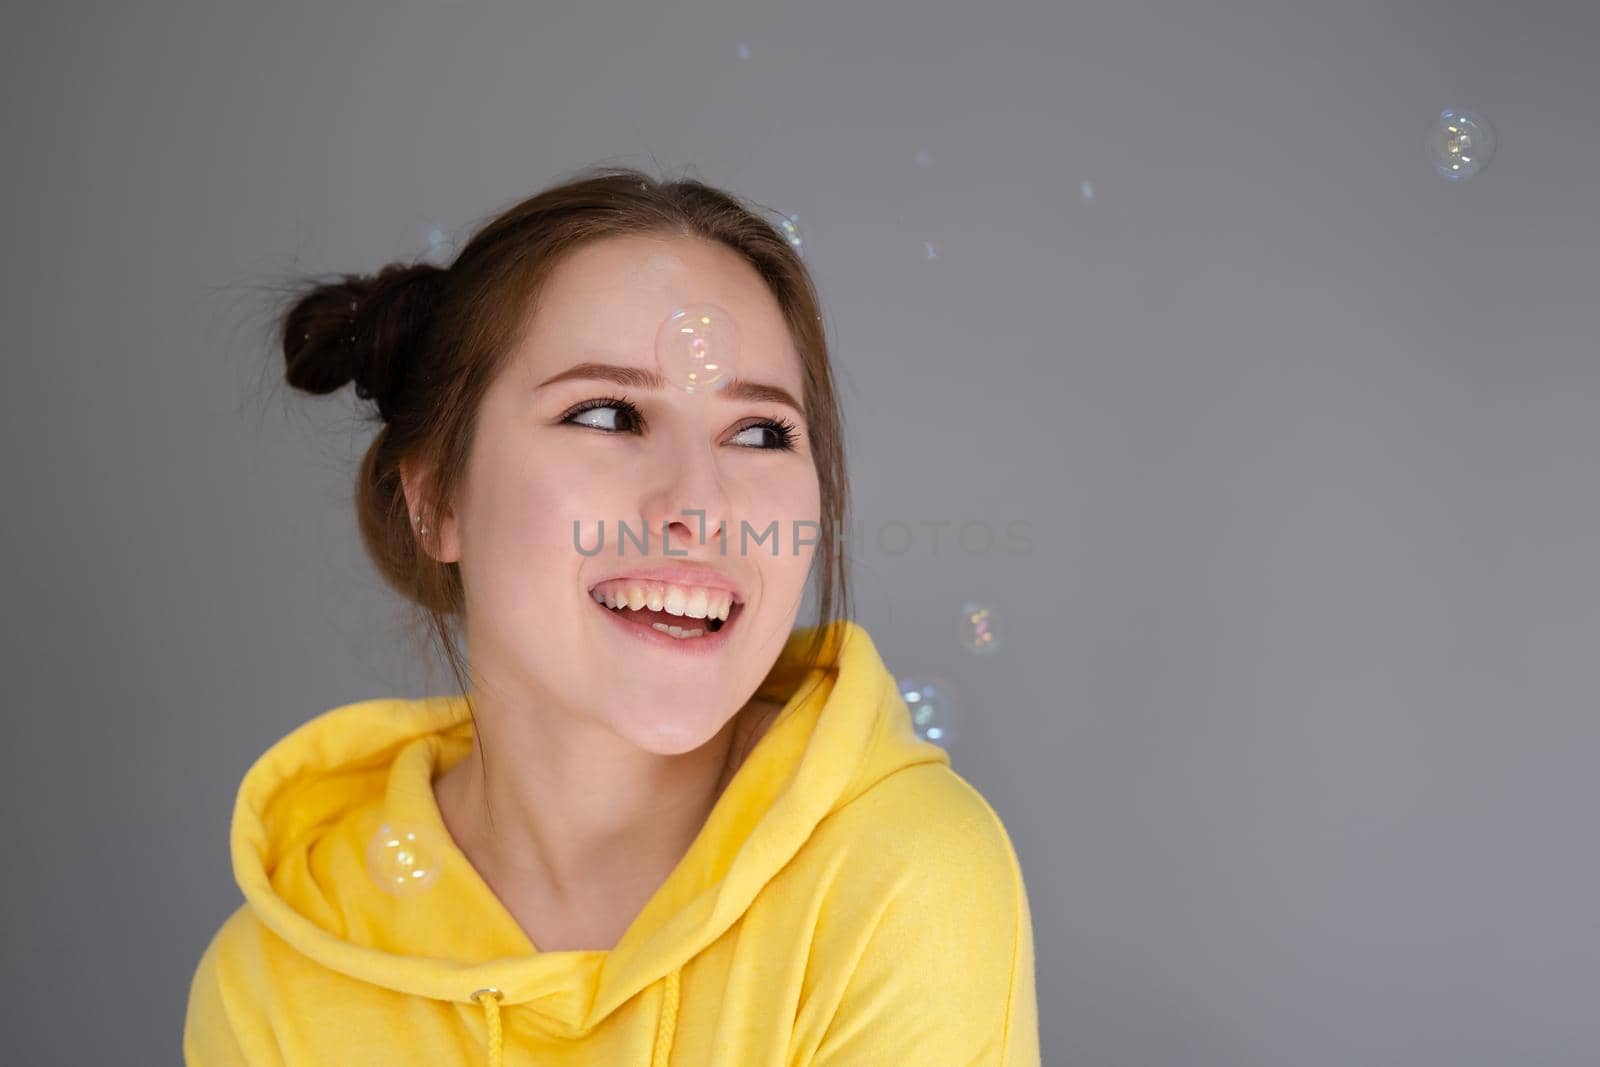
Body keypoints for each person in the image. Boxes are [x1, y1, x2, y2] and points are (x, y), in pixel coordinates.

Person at [183, 166, 1040, 1065]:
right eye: (606, 413)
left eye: (760, 432)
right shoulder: (268, 985)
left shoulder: (899, 880)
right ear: (437, 497)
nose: (699, 502)